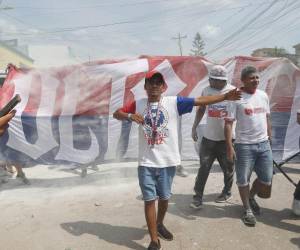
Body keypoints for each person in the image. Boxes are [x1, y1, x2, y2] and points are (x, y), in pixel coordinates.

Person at [113, 71, 241, 250]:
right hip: (146, 162)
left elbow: (199, 101)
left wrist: (225, 97)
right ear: (145, 87)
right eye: (150, 83)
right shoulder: (138, 104)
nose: (154, 86)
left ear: (163, 87)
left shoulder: (174, 102)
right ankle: (154, 240)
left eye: (158, 83)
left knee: (164, 198)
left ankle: (159, 224)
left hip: (167, 161)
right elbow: (116, 113)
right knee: (149, 200)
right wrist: (129, 116)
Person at [224, 66, 273, 226]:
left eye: (257, 78)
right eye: (252, 78)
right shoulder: (235, 97)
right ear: (243, 80)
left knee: (266, 179)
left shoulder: (263, 95)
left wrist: (269, 139)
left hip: (264, 144)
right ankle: (247, 210)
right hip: (244, 146)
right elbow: (228, 124)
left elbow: (267, 118)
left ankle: (251, 196)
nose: (255, 80)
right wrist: (229, 147)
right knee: (243, 179)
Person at [190, 65, 235, 209]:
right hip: (209, 138)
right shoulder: (207, 90)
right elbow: (201, 108)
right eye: (210, 79)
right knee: (204, 167)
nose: (210, 81)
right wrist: (194, 126)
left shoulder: (233, 92)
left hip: (226, 140)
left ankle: (227, 192)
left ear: (222, 80)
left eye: (214, 80)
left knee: (228, 167)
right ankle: (197, 197)